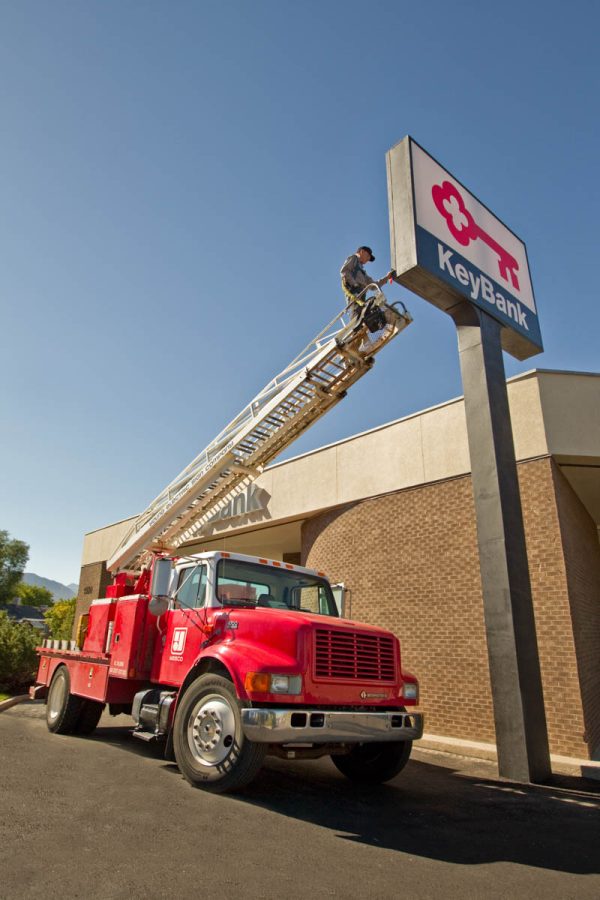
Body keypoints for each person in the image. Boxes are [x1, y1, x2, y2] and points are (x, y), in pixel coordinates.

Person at [340, 246, 395, 320]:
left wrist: (387, 277)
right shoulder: (354, 258)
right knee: (357, 316)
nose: (368, 259)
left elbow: (373, 286)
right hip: (354, 294)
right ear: (362, 251)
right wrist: (355, 285)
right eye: (368, 256)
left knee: (367, 313)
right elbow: (344, 271)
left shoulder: (362, 272)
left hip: (361, 295)